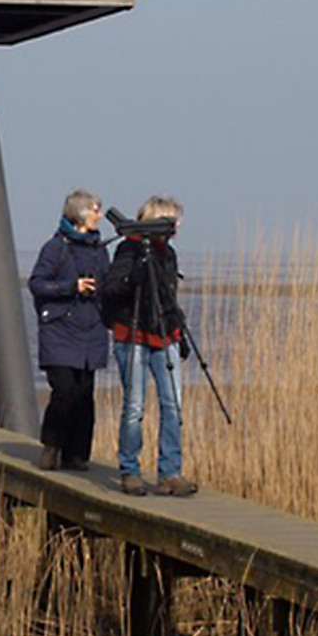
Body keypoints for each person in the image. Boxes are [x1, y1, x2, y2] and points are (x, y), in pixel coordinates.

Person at [101, 196, 198, 498]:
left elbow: (168, 296)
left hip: (164, 336)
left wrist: (179, 334)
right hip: (132, 337)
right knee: (135, 407)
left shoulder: (168, 254)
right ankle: (130, 469)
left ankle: (170, 472)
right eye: (172, 221)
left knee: (173, 406)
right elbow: (111, 289)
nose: (177, 227)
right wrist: (134, 278)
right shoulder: (128, 250)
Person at [28, 190, 111, 472]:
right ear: (81, 214)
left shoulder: (100, 249)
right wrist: (71, 287)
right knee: (64, 391)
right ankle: (51, 446)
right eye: (95, 211)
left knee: (85, 395)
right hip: (60, 330)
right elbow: (37, 283)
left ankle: (76, 454)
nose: (99, 216)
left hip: (92, 330)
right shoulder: (55, 247)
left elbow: (109, 282)